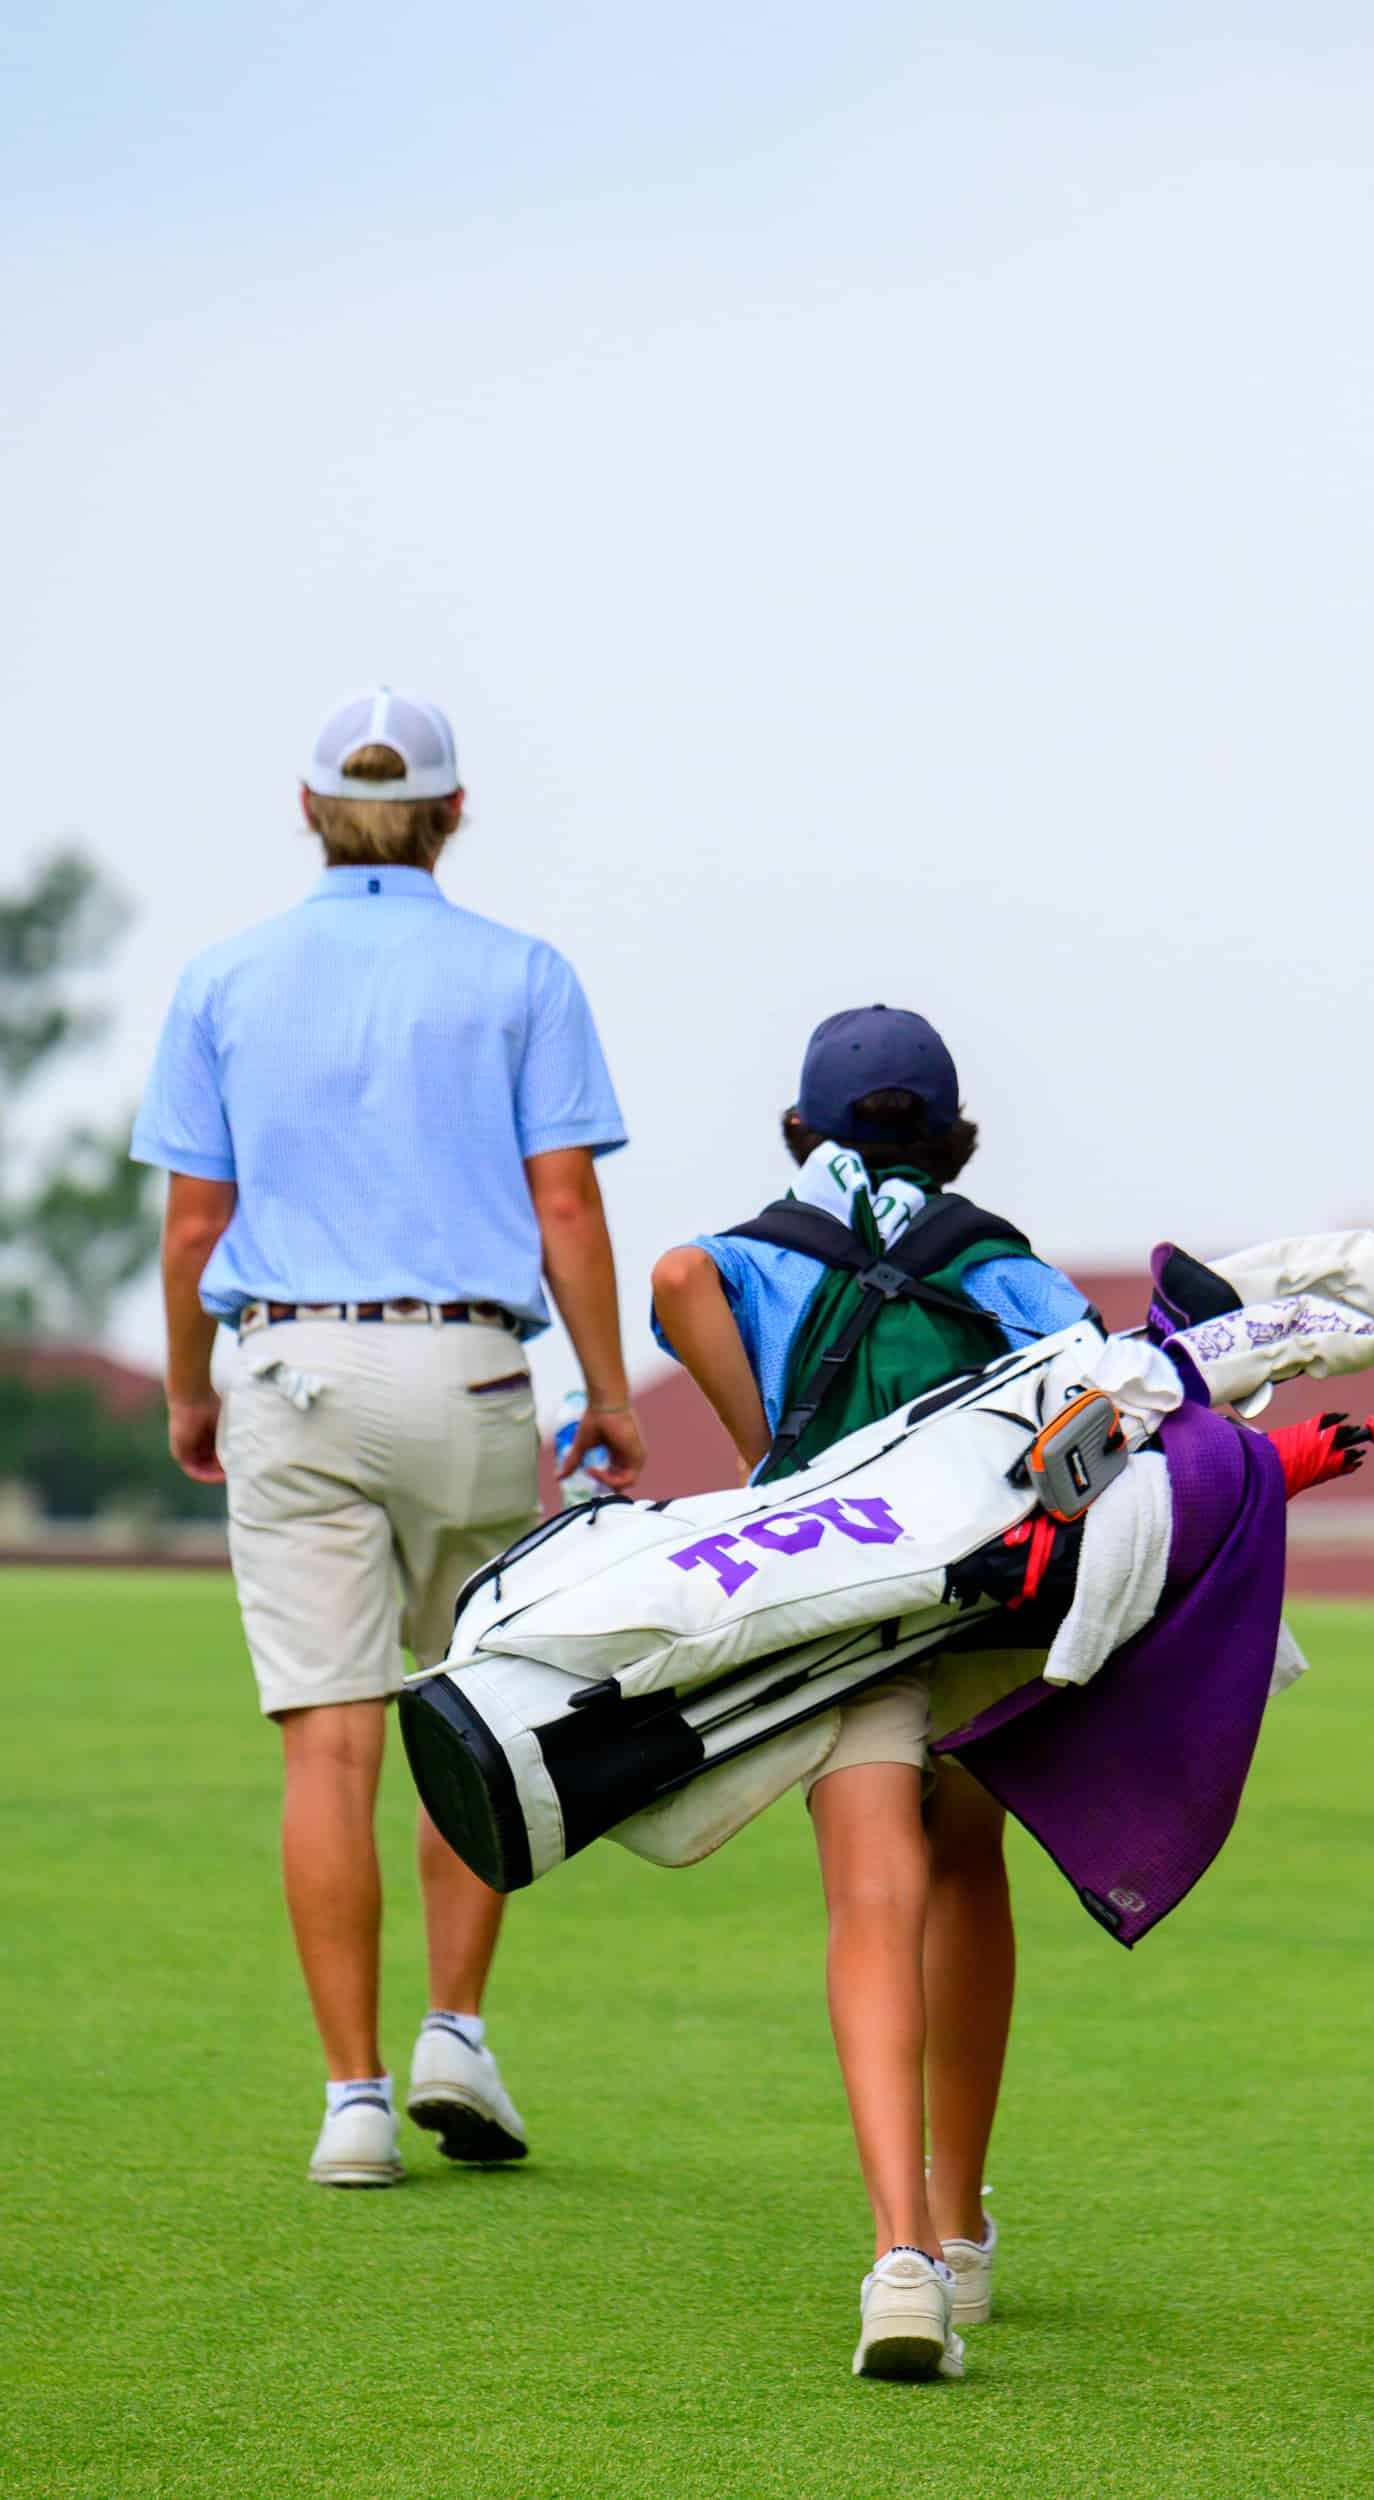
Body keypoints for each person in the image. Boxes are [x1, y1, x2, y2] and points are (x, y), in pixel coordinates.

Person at [132, 687, 646, 2189]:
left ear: (307, 811)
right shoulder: (522, 975)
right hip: (475, 1373)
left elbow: (191, 1229)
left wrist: (185, 1388)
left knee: (329, 1740)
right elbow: (566, 1208)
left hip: (286, 1366)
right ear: (454, 815)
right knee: (472, 1712)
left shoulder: (223, 979)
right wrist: (606, 1395)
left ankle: (354, 2099)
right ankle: (457, 2033)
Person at [650, 1005, 1093, 2381]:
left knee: (871, 1894)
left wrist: (772, 1455)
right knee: (968, 1868)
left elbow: (673, 1279)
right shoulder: (994, 1256)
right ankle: (962, 2233)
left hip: (838, 1605)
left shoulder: (761, 1253)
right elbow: (1094, 1389)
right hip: (980, 1602)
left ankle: (896, 2251)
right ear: (956, 1137)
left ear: (801, 1130)